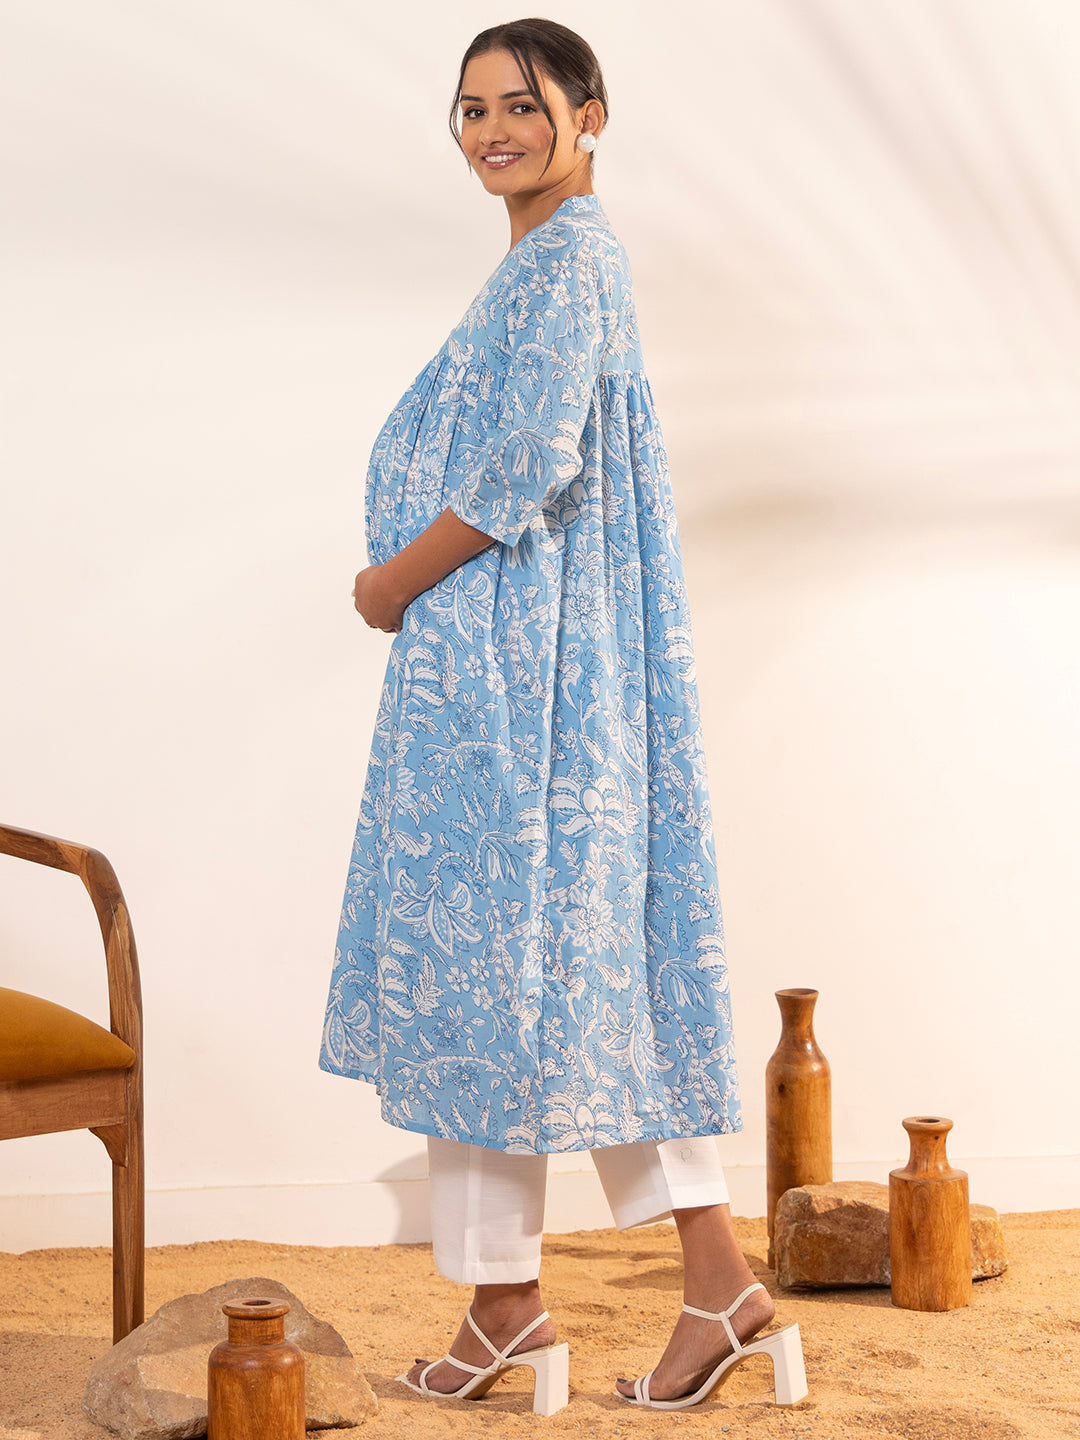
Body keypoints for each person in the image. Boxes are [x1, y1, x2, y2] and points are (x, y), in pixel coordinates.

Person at [318, 17, 807, 1415]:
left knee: (540, 971)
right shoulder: (543, 264)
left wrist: (390, 583)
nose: (492, 131)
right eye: (471, 108)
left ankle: (637, 1295)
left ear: (592, 115)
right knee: (522, 980)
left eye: (522, 105)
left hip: (523, 674)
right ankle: (533, 1304)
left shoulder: (572, 261)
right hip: (512, 659)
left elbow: (530, 461)